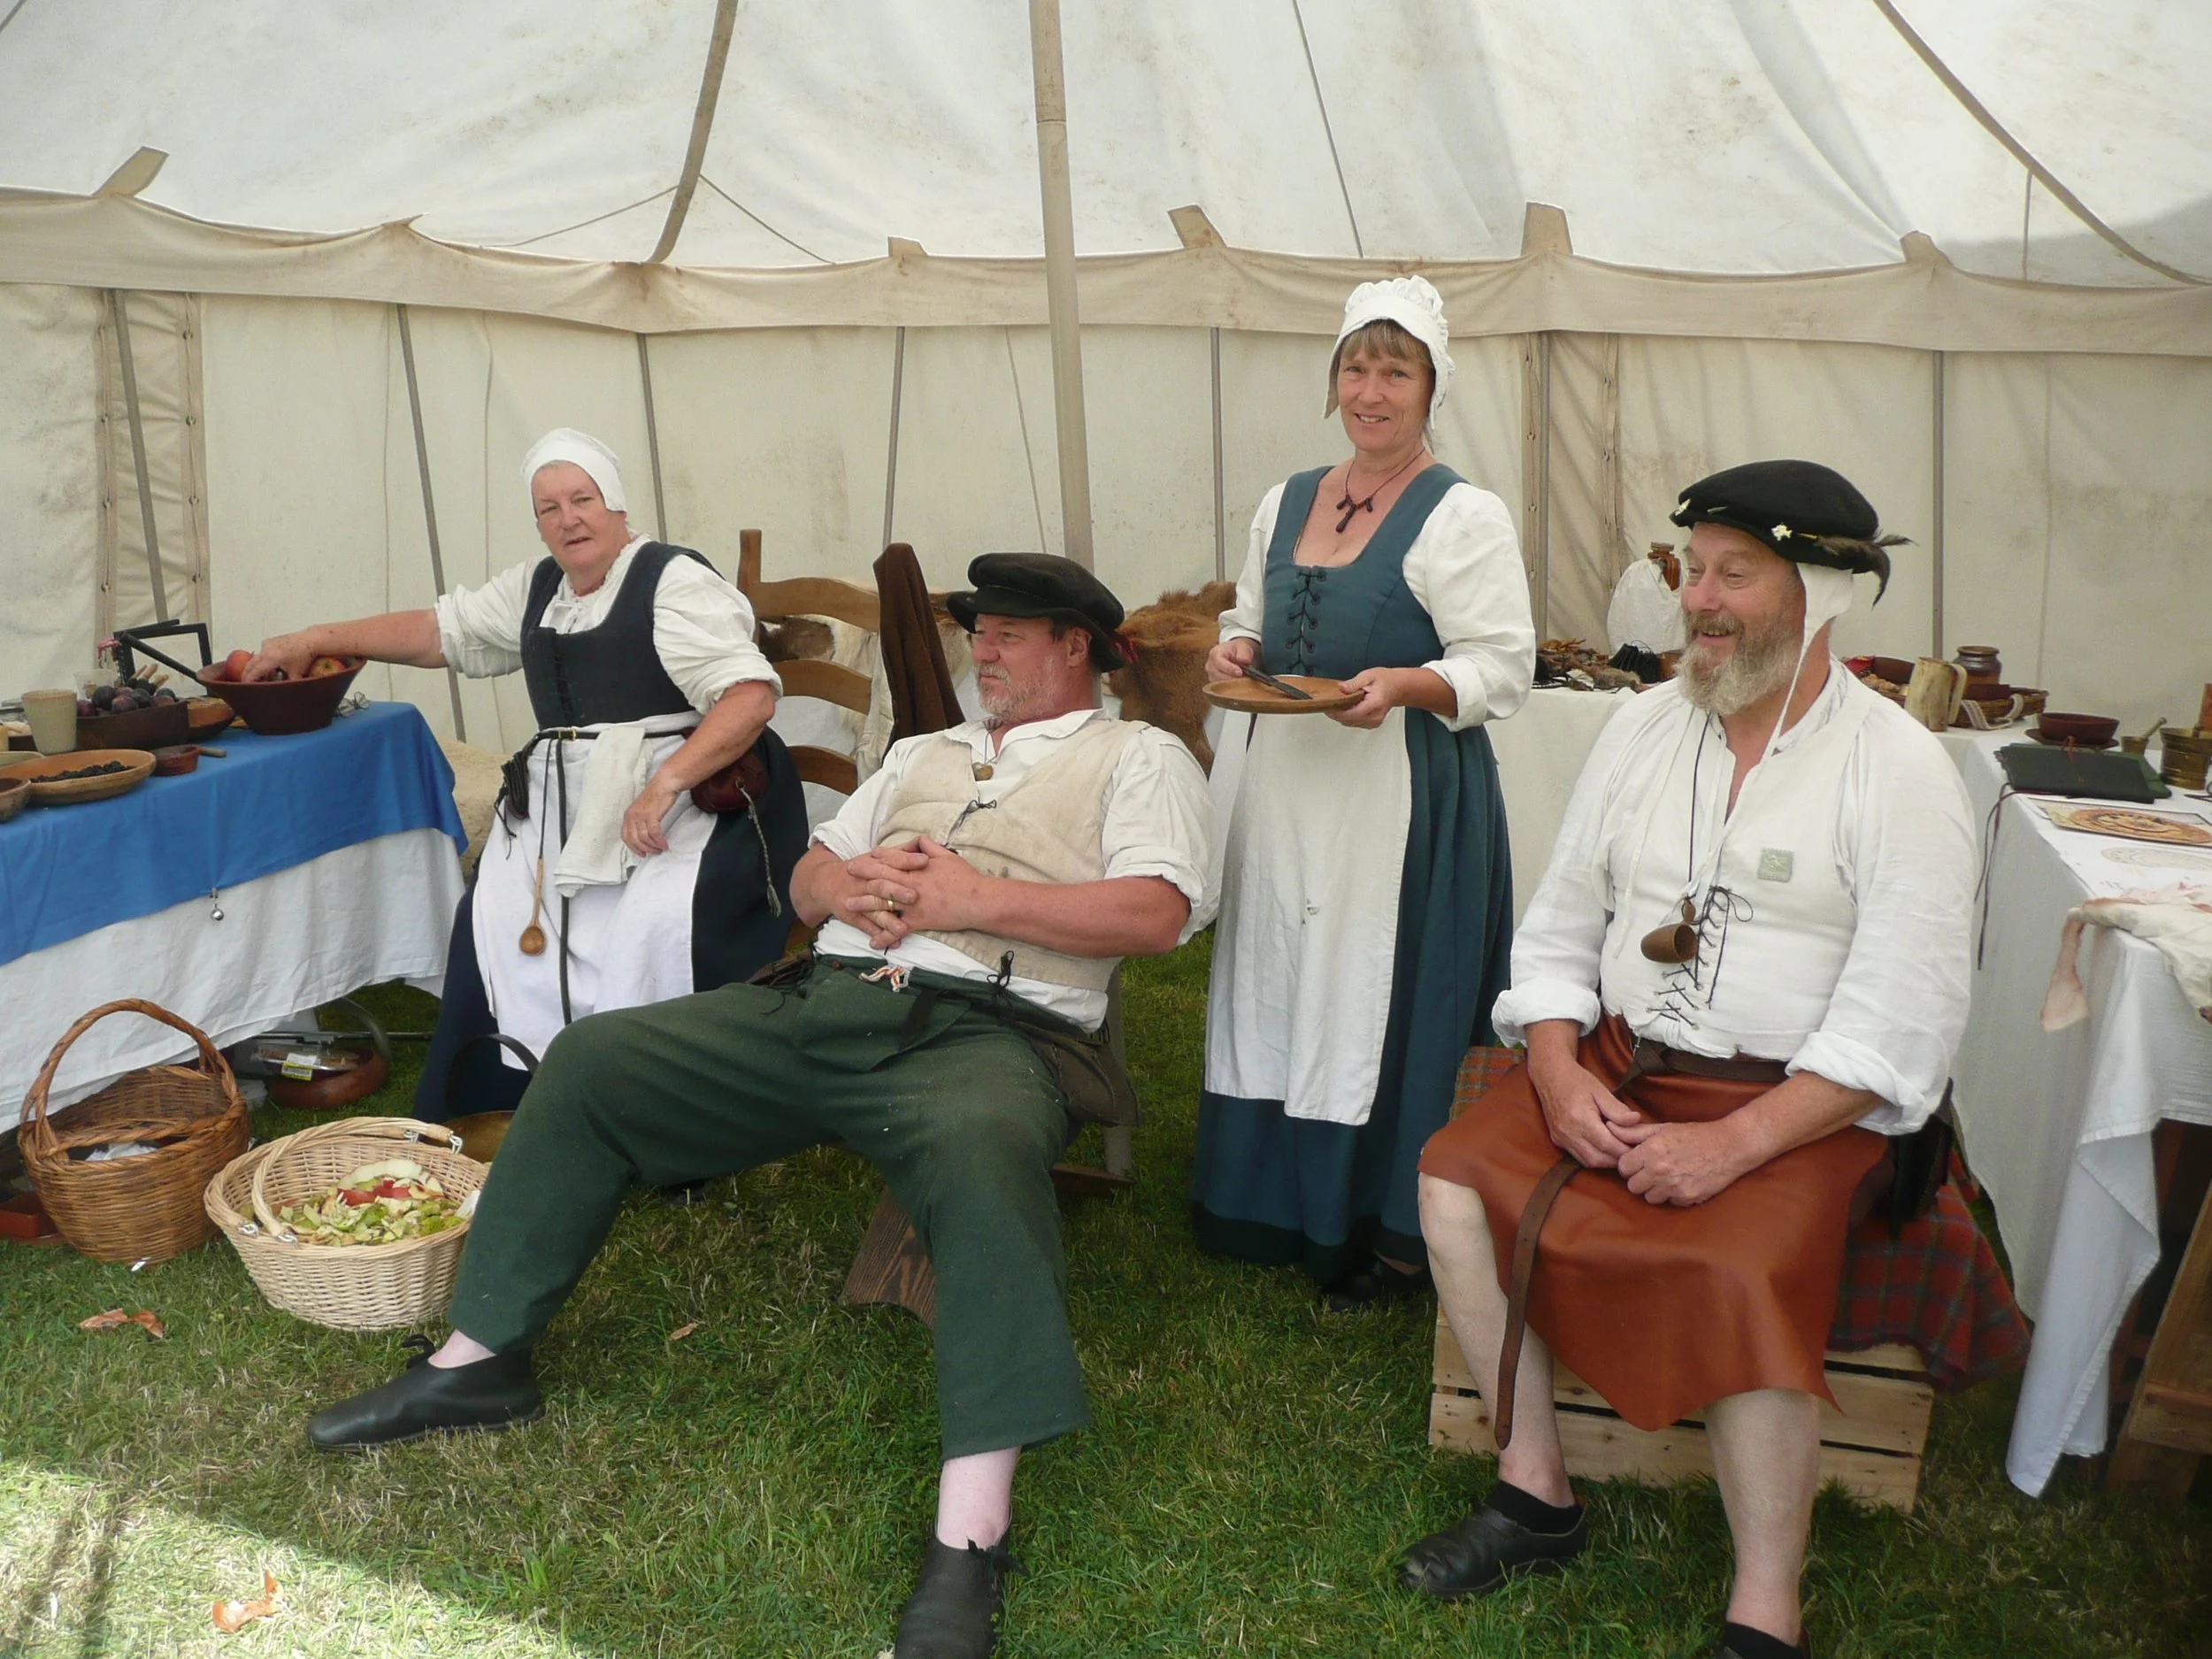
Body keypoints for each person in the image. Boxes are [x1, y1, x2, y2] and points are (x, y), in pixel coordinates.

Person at [300, 553, 1212, 1659]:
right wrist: (857, 887)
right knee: (591, 1061)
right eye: (980, 631)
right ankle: (479, 1362)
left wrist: (971, 898)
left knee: (980, 1157)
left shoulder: (1138, 754)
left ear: (1076, 648)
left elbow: (1157, 913)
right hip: (823, 1003)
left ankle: (970, 1538)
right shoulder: (926, 752)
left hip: (985, 1031)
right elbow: (812, 875)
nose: (983, 650)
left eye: (1010, 634)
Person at [1399, 461, 1975, 1659]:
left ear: (1820, 593)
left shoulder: (1902, 770)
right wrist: (1557, 1071)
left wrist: (1735, 1143)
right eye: (1691, 570)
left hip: (1801, 1101)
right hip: (1615, 1060)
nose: (1699, 601)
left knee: (1746, 1271)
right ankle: (1534, 1486)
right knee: (1453, 1178)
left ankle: (1767, 1609)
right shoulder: (1641, 729)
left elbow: (1898, 1025)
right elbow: (1558, 929)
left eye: (1735, 573)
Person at [248, 429, 808, 1117]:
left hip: (683, 798)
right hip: (566, 803)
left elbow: (751, 695)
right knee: (496, 911)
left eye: (583, 498)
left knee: (648, 926)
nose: (568, 518)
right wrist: (315, 639)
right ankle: (512, 1097)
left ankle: (645, 1102)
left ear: (616, 505)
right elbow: (437, 632)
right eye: (549, 507)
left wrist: (660, 788)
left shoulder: (673, 582)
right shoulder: (538, 586)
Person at [1193, 275, 1535, 1307]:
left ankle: (1380, 1228)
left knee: (1370, 989)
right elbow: (1245, 617)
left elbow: (1503, 666)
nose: (1371, 390)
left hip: (1398, 794)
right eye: (1355, 366)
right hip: (1289, 777)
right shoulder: (1287, 497)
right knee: (1279, 971)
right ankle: (1262, 1201)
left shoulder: (1463, 515)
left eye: (1396, 370)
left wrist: (1406, 685)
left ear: (1432, 387)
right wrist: (1235, 649)